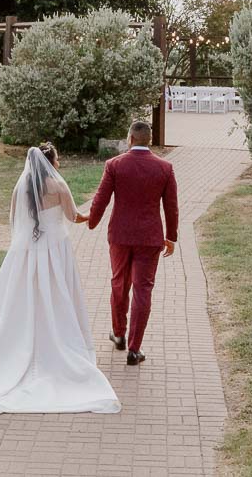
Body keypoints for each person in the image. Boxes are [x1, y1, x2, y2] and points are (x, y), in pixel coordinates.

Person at [0, 143, 120, 416]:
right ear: (51, 163)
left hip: (25, 254)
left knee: (24, 298)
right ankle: (57, 343)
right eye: (57, 159)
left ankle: (22, 343)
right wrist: (94, 215)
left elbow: (15, 221)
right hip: (55, 251)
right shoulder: (58, 186)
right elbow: (73, 216)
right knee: (58, 296)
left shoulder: (20, 188)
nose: (59, 163)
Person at [87, 119, 178, 366]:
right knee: (143, 290)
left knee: (119, 282)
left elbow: (101, 198)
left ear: (129, 139)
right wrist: (171, 236)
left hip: (120, 235)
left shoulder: (114, 165)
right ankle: (134, 349)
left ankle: (119, 334)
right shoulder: (165, 168)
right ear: (149, 140)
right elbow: (171, 206)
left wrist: (92, 221)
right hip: (149, 238)